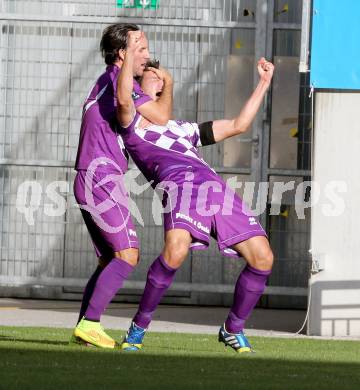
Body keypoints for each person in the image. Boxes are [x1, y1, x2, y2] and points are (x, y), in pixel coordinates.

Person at [116, 32, 275, 353]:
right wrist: (129, 56)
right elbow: (122, 99)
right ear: (137, 86)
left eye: (162, 79)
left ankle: (233, 329)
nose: (158, 82)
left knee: (263, 258)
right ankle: (137, 329)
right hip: (180, 185)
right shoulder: (131, 123)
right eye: (151, 77)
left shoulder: (182, 128)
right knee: (175, 251)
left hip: (213, 187)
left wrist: (263, 84)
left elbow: (238, 125)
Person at [70, 23, 173, 348]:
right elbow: (159, 116)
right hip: (100, 178)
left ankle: (85, 330)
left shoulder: (109, 80)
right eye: (140, 49)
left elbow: (153, 116)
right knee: (127, 254)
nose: (147, 56)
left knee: (109, 259)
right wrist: (168, 85)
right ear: (123, 53)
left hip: (92, 177)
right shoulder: (118, 80)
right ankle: (90, 324)